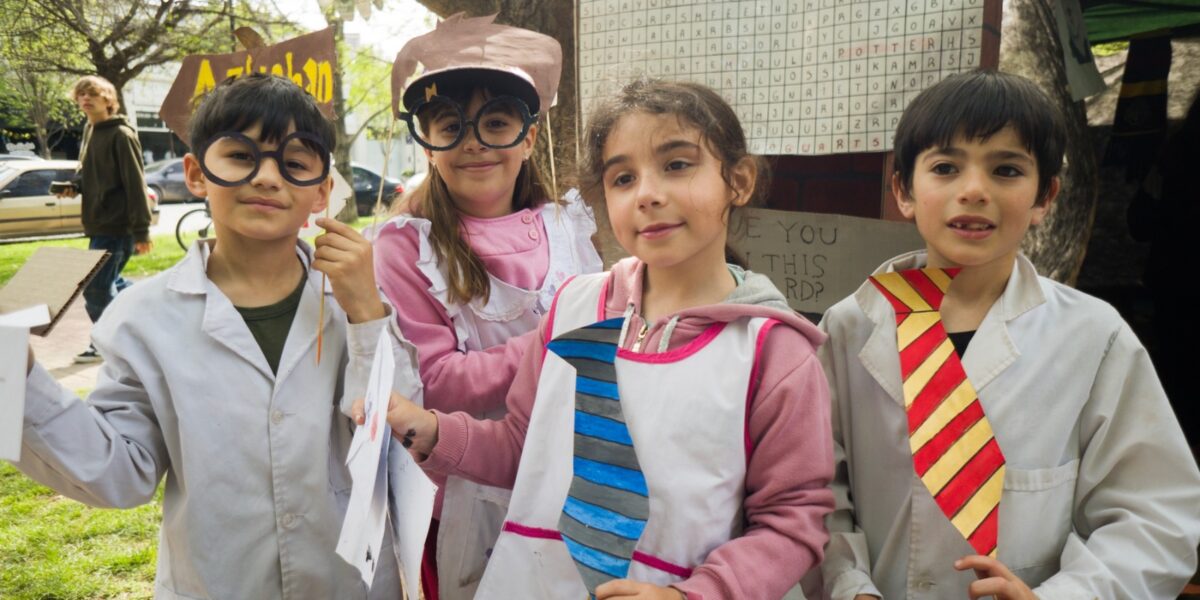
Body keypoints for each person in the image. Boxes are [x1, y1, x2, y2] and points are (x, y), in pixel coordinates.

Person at [368, 78, 834, 599]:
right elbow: (523, 446)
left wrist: (694, 594)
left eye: (677, 164)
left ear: (739, 181)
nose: (648, 194)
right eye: (623, 178)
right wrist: (430, 431)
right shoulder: (574, 308)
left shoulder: (773, 352)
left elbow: (792, 521)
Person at [11, 73, 411, 599]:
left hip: (350, 584)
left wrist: (366, 316)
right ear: (197, 174)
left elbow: (399, 441)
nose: (267, 177)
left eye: (294, 163)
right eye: (241, 156)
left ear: (322, 191)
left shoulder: (356, 299)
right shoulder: (143, 318)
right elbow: (118, 472)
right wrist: (15, 376)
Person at [816, 70, 1200, 600]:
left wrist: (1061, 596)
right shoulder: (847, 329)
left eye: (1006, 170)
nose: (974, 190)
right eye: (946, 168)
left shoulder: (1093, 337)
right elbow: (816, 494)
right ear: (903, 190)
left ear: (1045, 197)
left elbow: (1154, 517)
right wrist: (848, 584)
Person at [372, 14, 602, 600]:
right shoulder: (409, 246)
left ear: (529, 137)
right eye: (451, 125)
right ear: (427, 142)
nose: (473, 142)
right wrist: (557, 337)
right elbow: (436, 381)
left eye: (496, 122)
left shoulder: (569, 226)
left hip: (576, 474)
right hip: (466, 490)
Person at [65, 75, 153, 363]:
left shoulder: (121, 135)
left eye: (92, 94)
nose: (85, 99)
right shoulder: (90, 131)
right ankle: (153, 309)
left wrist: (141, 230)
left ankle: (110, 344)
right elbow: (93, 175)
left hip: (117, 226)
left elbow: (135, 183)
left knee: (96, 286)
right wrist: (75, 186)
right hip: (98, 223)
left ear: (108, 100)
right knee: (110, 282)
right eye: (81, 94)